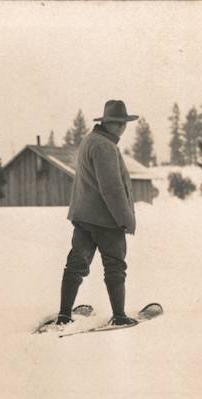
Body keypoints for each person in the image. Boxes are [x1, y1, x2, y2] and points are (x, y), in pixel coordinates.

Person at [49, 99, 140, 327]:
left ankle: (64, 314)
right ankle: (119, 316)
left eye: (123, 123)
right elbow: (112, 188)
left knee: (76, 265)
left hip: (84, 218)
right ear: (106, 122)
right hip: (106, 221)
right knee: (115, 266)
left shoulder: (91, 140)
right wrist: (126, 220)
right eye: (116, 122)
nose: (121, 127)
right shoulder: (104, 146)